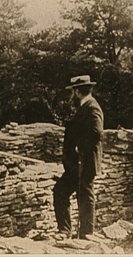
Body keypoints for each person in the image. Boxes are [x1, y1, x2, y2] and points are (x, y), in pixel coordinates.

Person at [53, 75, 104, 240]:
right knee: (60, 191)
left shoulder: (92, 107)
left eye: (73, 91)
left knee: (86, 194)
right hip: (77, 162)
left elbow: (96, 132)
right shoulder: (84, 106)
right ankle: (65, 230)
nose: (72, 95)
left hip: (86, 160)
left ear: (77, 91)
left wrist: (79, 146)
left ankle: (86, 233)